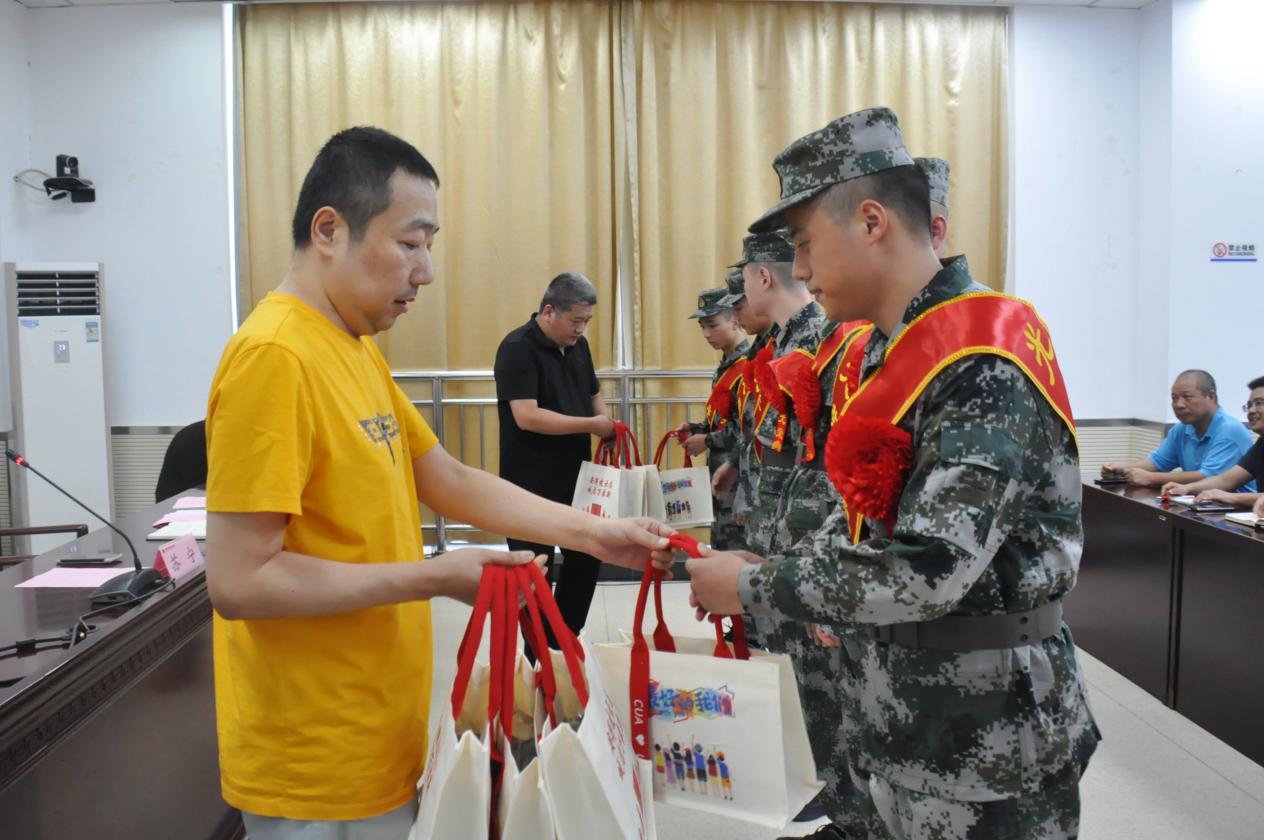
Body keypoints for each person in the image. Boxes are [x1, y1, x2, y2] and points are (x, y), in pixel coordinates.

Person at [204, 127, 672, 839]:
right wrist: (436, 576)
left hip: (377, 729)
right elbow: (241, 581)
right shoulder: (274, 357)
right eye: (410, 243)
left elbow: (447, 478)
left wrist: (598, 533)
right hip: (315, 760)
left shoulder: (350, 347)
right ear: (329, 230)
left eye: (430, 246)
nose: (424, 272)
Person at [687, 107, 1099, 839]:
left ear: (872, 222)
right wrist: (781, 568)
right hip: (906, 716)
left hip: (986, 735)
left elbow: (931, 565)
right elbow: (868, 514)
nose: (801, 271)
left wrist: (755, 587)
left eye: (805, 244)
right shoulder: (896, 347)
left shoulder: (979, 359)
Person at [494, 272, 618, 640]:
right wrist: (591, 425)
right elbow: (527, 416)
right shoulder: (517, 348)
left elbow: (593, 394)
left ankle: (563, 639)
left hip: (577, 480)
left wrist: (606, 424)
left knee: (587, 558)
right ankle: (538, 654)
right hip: (529, 484)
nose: (581, 329)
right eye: (576, 320)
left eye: (587, 321)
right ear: (549, 312)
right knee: (534, 571)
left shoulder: (579, 345)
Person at [674, 286, 750, 550]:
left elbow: (748, 429)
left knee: (737, 552)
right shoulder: (726, 364)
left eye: (713, 325)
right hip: (721, 471)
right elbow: (724, 418)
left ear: (736, 320)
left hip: (738, 472)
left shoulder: (747, 366)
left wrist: (706, 440)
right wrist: (697, 429)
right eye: (702, 327)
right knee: (721, 544)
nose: (706, 334)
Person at [1102, 370, 1254, 489]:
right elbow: (1157, 462)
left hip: (1235, 511)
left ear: (1211, 397)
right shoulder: (1182, 429)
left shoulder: (1230, 430)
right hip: (1199, 504)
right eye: (1174, 398)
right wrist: (1122, 469)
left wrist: (1150, 478)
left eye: (1187, 397)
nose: (1179, 405)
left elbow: (1208, 478)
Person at [1161, 376, 1264, 507]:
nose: (1252, 411)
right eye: (1249, 406)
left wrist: (1232, 497)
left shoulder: (1229, 428)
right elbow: (1226, 480)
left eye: (1259, 403)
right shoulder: (1261, 444)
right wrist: (1187, 488)